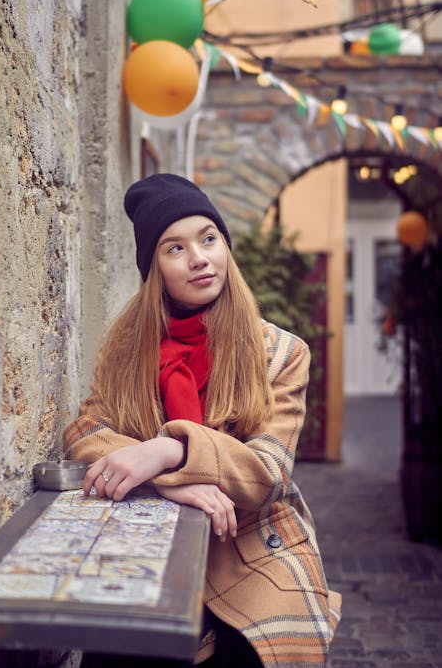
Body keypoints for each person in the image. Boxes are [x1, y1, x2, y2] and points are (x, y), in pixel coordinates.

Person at [63, 173, 341, 668]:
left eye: (208, 239)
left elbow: (266, 472)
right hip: (149, 546)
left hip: (250, 551)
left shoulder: (280, 353)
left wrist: (168, 449)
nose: (199, 258)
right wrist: (169, 482)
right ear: (155, 269)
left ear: (224, 247)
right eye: (175, 247)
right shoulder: (127, 350)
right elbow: (84, 433)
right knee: (119, 649)